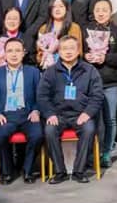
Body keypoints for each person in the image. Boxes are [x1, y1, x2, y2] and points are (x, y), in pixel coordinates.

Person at [38, 35, 104, 184]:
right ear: (59, 51)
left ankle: (79, 171)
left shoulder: (89, 70)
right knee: (49, 130)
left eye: (71, 48)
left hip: (81, 114)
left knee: (89, 129)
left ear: (78, 50)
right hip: (58, 115)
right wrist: (50, 114)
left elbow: (97, 95)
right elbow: (42, 96)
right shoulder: (50, 71)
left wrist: (87, 113)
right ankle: (59, 171)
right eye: (64, 48)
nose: (68, 52)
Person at [0, 38, 43, 184]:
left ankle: (27, 170)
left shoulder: (33, 72)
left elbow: (40, 95)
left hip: (27, 114)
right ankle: (7, 171)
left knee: (37, 135)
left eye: (17, 50)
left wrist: (36, 110)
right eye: (10, 51)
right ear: (4, 54)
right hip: (5, 115)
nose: (14, 54)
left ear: (23, 53)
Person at [82, 0, 117, 167]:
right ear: (93, 12)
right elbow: (79, 51)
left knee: (110, 119)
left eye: (104, 10)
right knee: (92, 118)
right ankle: (91, 153)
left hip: (111, 82)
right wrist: (86, 56)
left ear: (110, 12)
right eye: (98, 10)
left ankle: (107, 152)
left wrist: (105, 58)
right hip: (90, 81)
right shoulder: (86, 30)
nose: (101, 13)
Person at [36, 0, 84, 67]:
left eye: (61, 6)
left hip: (68, 67)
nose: (57, 9)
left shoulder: (74, 28)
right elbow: (39, 53)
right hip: (47, 67)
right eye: (54, 7)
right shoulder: (43, 28)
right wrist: (45, 54)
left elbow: (79, 51)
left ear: (66, 9)